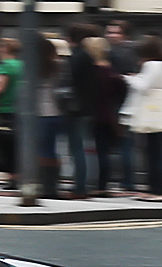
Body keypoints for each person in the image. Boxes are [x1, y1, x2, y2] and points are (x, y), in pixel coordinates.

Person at [120, 35, 162, 199]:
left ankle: (156, 189)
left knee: (153, 152)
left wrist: (129, 78)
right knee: (156, 150)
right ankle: (157, 187)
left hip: (151, 113)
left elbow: (144, 86)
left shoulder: (152, 65)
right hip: (158, 112)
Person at [86, 36, 126, 197]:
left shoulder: (92, 72)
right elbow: (121, 92)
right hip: (109, 115)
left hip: (94, 115)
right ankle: (103, 183)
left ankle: (98, 184)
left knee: (96, 151)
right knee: (104, 151)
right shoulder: (112, 72)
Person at [63, 23, 100, 198]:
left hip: (76, 109)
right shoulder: (88, 56)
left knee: (77, 147)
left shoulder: (78, 57)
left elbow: (72, 83)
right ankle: (82, 184)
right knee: (81, 147)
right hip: (86, 107)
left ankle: (80, 186)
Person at [105, 19, 138, 192]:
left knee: (125, 144)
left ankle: (127, 181)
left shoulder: (124, 52)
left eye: (115, 32)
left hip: (122, 103)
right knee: (122, 144)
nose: (110, 35)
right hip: (119, 102)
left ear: (125, 35)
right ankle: (124, 180)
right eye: (109, 32)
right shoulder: (116, 50)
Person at [0, 37, 21, 189]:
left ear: (5, 49)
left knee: (5, 146)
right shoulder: (22, 65)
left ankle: (13, 178)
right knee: (17, 145)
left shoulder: (4, 66)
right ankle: (19, 176)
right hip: (20, 110)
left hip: (5, 110)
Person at [35, 37, 64, 198]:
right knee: (51, 151)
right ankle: (51, 186)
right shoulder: (57, 66)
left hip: (40, 113)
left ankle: (44, 185)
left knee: (42, 151)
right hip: (56, 113)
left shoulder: (34, 67)